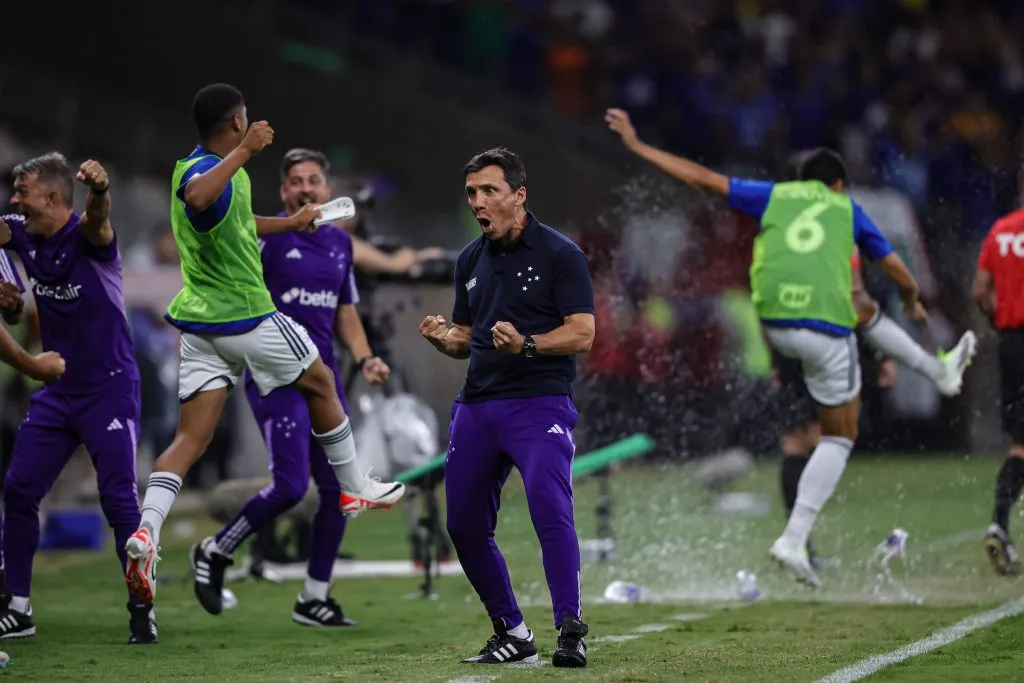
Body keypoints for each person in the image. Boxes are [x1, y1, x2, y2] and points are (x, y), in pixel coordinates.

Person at [607, 111, 976, 581]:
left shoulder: (775, 199)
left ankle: (934, 369)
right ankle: (794, 538)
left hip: (778, 328)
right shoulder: (845, 210)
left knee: (847, 338)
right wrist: (912, 301)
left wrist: (638, 147)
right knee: (839, 436)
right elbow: (893, 274)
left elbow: (703, 178)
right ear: (838, 184)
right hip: (822, 333)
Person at [124, 83, 405, 609]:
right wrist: (247, 150)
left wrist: (289, 223)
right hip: (244, 314)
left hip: (201, 326)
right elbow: (200, 197)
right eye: (246, 120)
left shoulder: (198, 169)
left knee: (191, 438)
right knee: (321, 379)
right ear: (235, 123)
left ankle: (146, 532)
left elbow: (233, 220)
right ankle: (356, 485)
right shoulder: (213, 170)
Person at [192, 148, 390, 624]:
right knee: (289, 485)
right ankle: (216, 549)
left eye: (314, 180)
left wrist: (365, 359)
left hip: (324, 381)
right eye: (296, 181)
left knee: (341, 492)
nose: (306, 188)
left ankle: (314, 597)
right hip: (276, 377)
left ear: (326, 189)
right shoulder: (264, 242)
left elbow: (345, 314)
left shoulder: (341, 246)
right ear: (283, 192)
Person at [419, 147, 595, 667]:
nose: (478, 202)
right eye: (472, 193)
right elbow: (466, 338)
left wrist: (529, 345)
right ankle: (512, 631)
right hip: (477, 406)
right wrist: (442, 340)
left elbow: (583, 332)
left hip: (539, 404)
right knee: (464, 525)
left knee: (549, 507)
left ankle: (571, 627)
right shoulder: (470, 260)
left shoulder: (563, 255)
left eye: (489, 191)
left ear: (519, 195)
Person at [0, 153, 149, 642]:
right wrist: (6, 284)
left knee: (118, 501)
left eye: (22, 192)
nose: (14, 200)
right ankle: (18, 606)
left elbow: (99, 222)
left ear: (52, 197)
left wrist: (101, 192)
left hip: (109, 388)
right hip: (58, 393)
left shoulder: (90, 237)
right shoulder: (23, 232)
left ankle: (141, 608)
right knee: (20, 490)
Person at [974, 208, 1024, 575]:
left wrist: (1002, 321)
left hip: (1013, 342)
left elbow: (980, 291)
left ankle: (998, 524)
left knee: (1020, 443)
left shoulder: (1001, 229)